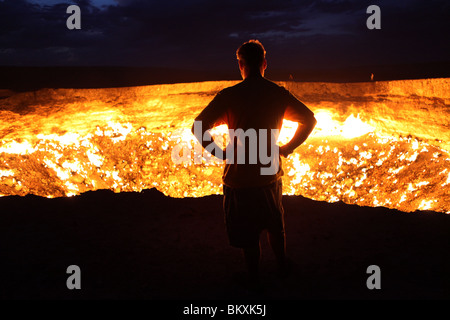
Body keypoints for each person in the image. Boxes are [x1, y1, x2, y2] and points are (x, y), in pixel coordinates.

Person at [191, 40, 317, 290]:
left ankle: (253, 279)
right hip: (269, 175)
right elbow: (309, 120)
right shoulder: (277, 94)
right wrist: (287, 148)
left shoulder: (229, 96)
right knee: (274, 224)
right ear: (264, 64)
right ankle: (282, 267)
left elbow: (198, 126)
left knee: (247, 234)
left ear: (241, 65)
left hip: (239, 177)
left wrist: (219, 152)